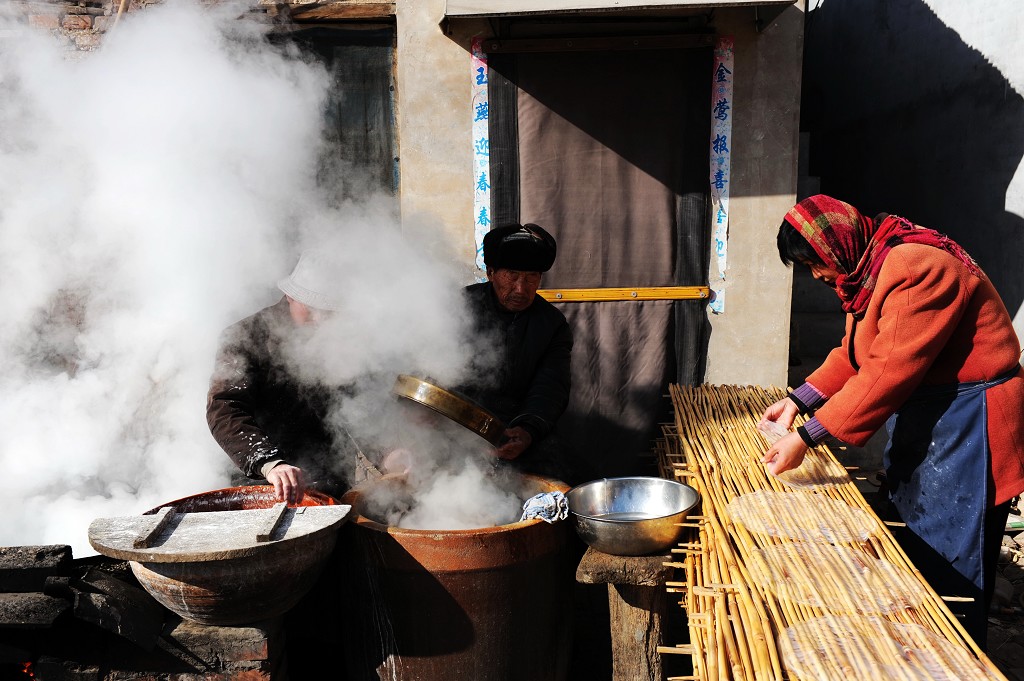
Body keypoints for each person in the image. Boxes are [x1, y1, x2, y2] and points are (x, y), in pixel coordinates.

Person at [759, 194, 1024, 647]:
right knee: (918, 529)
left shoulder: (918, 269)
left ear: (837, 244)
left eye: (814, 263)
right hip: (933, 411)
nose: (817, 275)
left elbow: (887, 370)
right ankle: (917, 640)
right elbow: (857, 354)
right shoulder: (866, 273)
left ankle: (956, 654)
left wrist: (808, 435)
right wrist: (799, 401)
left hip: (971, 422)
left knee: (955, 554)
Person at [206, 251, 352, 504]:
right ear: (290, 296)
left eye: (329, 311)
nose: (321, 319)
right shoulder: (245, 336)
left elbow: (355, 404)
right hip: (262, 479)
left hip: (326, 475)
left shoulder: (339, 337)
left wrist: (388, 451)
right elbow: (225, 407)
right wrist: (270, 464)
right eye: (313, 308)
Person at [460, 222, 576, 483]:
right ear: (491, 273)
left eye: (531, 276)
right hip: (455, 427)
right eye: (512, 274)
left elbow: (551, 386)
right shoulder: (458, 308)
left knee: (566, 476)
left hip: (514, 428)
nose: (522, 289)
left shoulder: (551, 324)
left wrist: (527, 430)